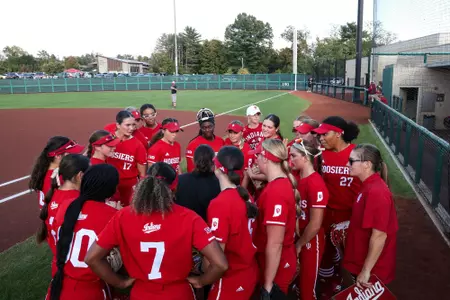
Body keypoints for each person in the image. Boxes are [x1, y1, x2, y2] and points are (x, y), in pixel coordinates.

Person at [85, 165, 229, 300]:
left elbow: (92, 258)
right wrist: (201, 281)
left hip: (141, 292)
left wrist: (119, 283)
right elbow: (220, 264)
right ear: (174, 188)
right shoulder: (189, 217)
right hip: (178, 292)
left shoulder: (123, 216)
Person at [48, 164, 120, 300]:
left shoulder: (67, 205)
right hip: (91, 288)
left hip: (60, 282)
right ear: (111, 189)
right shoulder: (114, 216)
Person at [312, 116, 361, 297]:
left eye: (325, 134)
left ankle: (351, 286)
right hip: (326, 214)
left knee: (351, 257)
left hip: (350, 216)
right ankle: (329, 282)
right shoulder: (321, 156)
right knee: (325, 251)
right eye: (320, 135)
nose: (321, 138)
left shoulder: (359, 154)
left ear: (339, 134)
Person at [206, 146, 259, 299]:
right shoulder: (245, 194)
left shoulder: (220, 203)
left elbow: (218, 257)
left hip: (230, 279)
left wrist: (202, 279)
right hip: (247, 271)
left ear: (219, 168)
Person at [342, 144, 398, 288]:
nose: (346, 164)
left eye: (351, 161)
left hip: (372, 272)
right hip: (361, 262)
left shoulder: (376, 192)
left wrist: (366, 270)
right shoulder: (368, 186)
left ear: (367, 164)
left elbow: (379, 235)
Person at [250, 139, 298, 295]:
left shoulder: (275, 193)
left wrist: (268, 284)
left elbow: (275, 243)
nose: (255, 160)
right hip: (277, 261)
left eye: (257, 155)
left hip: (276, 265)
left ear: (265, 158)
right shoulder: (276, 185)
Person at [36, 154, 89, 277]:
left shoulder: (53, 196)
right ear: (80, 176)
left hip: (59, 264)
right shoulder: (78, 201)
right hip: (77, 270)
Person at [289, 139, 329, 300]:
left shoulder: (315, 183)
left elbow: (315, 224)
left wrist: (299, 244)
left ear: (305, 158)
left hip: (311, 241)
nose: (290, 159)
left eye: (293, 156)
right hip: (298, 237)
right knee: (295, 285)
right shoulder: (296, 177)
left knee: (307, 289)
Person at [29, 136, 84, 208]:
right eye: (71, 153)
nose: (76, 155)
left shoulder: (47, 169)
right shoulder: (56, 178)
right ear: (58, 156)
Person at [107, 110, 147, 208]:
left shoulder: (138, 145)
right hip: (109, 182)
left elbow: (142, 172)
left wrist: (140, 187)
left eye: (133, 125)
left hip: (129, 185)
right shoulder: (107, 139)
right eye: (127, 125)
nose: (131, 128)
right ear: (118, 125)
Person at [176, 144, 221, 221]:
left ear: (194, 160)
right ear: (213, 161)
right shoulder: (219, 183)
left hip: (184, 227)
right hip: (207, 228)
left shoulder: (179, 180)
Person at [185, 108, 224, 173]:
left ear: (214, 125)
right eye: (204, 127)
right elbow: (191, 170)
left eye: (210, 127)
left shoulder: (221, 141)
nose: (207, 130)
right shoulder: (193, 144)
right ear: (200, 128)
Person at [223, 120, 252, 185]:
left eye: (235, 133)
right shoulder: (226, 143)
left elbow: (246, 175)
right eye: (230, 132)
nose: (232, 135)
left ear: (242, 133)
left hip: (241, 184)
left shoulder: (246, 149)